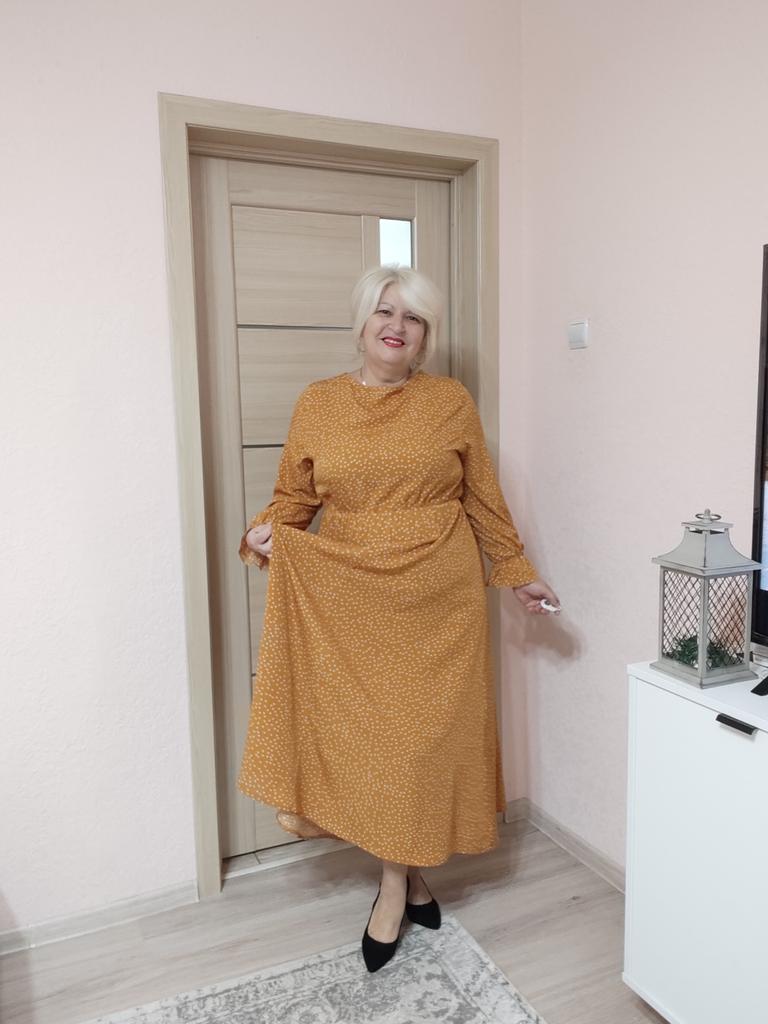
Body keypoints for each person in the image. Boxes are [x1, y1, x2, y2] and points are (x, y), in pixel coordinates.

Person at [238, 264, 559, 973]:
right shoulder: (318, 401)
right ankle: (410, 880)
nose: (398, 326)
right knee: (374, 747)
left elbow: (481, 497)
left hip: (439, 596)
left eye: (413, 317)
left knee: (419, 747)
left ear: (425, 337)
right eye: (386, 311)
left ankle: (391, 887)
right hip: (351, 596)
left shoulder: (449, 400)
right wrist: (265, 533)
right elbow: (294, 497)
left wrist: (516, 572)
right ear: (362, 323)